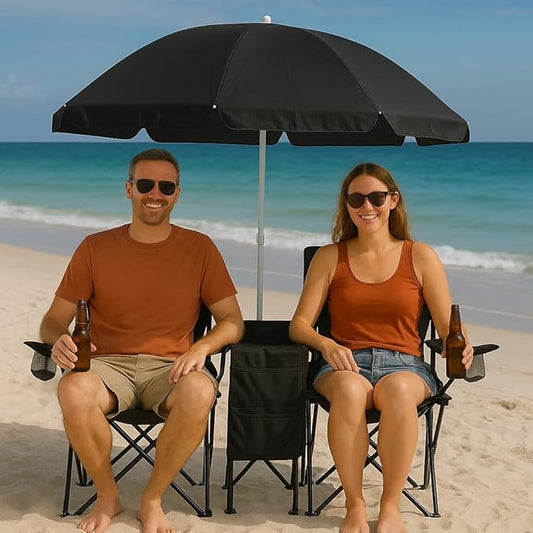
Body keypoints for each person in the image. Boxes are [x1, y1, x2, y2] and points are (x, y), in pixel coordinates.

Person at [40, 148, 244, 533]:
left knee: (201, 393)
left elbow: (232, 322)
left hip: (171, 367)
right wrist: (58, 340)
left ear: (177, 194)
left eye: (165, 186)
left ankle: (152, 499)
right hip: (105, 365)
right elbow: (53, 321)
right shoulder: (93, 247)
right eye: (145, 184)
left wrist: (202, 347)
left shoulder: (200, 248)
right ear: (129, 189)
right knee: (73, 392)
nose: (155, 193)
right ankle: (107, 495)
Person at [289, 162, 474, 533]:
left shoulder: (420, 256)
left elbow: (446, 325)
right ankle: (354, 505)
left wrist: (462, 343)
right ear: (347, 204)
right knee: (348, 388)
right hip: (344, 362)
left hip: (406, 364)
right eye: (356, 198)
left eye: (376, 197)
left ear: (393, 200)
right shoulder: (330, 257)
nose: (366, 206)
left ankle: (391, 506)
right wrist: (326, 344)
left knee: (402, 389)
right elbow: (299, 326)